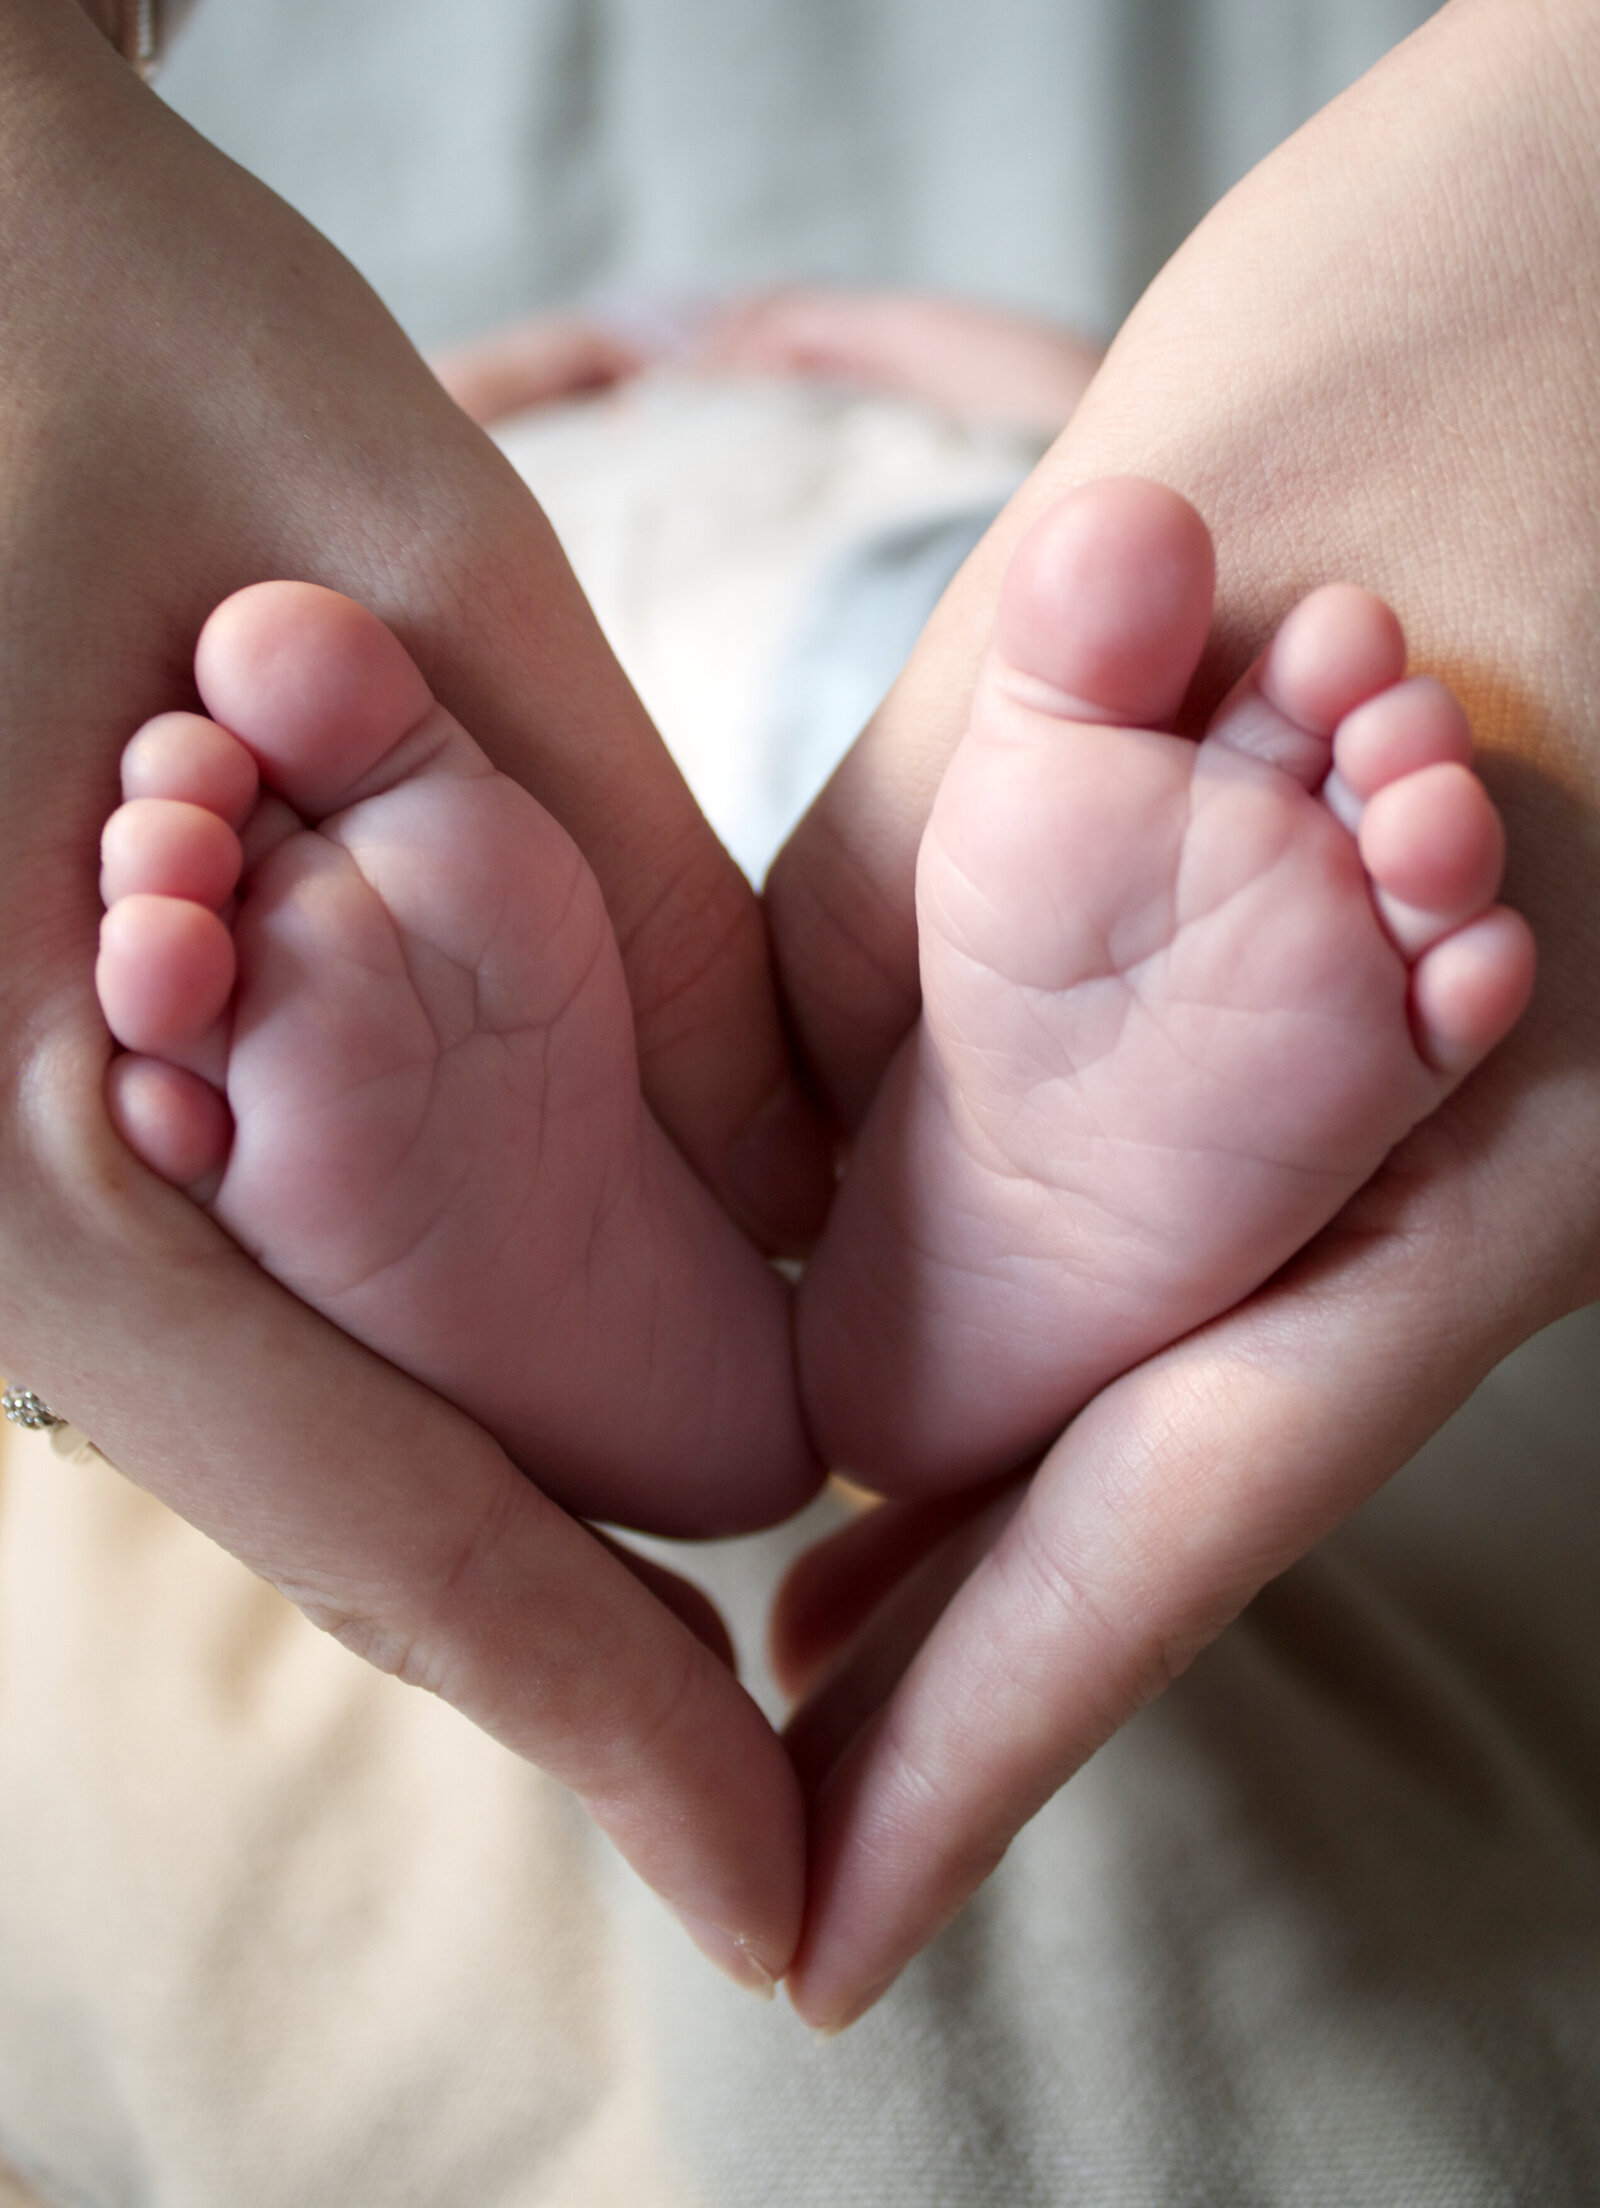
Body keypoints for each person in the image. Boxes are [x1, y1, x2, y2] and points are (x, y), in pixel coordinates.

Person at [1, 0, 1596, 2096]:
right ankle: (945, 1180)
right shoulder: (458, 460)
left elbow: (1152, 430)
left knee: (407, 834)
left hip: (588, 789)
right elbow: (1100, 443)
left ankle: (629, 1240)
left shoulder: (429, 487)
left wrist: (576, 393)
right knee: (1008, 636)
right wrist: (932, 369)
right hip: (806, 747)